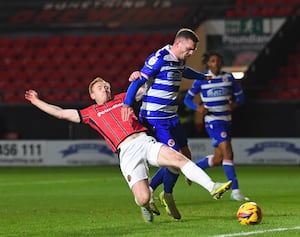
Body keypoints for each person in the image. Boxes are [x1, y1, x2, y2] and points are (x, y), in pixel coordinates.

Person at [25, 77, 232, 223]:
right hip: (126, 153)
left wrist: (142, 76)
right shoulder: (90, 113)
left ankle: (212, 186)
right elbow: (60, 113)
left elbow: (148, 86)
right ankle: (145, 203)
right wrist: (36, 101)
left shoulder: (124, 98)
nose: (105, 88)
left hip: (144, 141)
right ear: (92, 94)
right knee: (142, 198)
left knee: (177, 158)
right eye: (100, 87)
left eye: (106, 85)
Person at [121, 28, 211, 220]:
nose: (191, 53)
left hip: (171, 116)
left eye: (193, 50)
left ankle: (154, 189)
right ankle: (165, 195)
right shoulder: (160, 57)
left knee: (186, 155)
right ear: (178, 44)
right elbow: (138, 81)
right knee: (176, 159)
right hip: (155, 117)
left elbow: (183, 71)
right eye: (189, 49)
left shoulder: (178, 59)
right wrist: (127, 104)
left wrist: (203, 77)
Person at [184, 51, 249, 201]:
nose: (216, 64)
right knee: (228, 152)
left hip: (226, 120)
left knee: (219, 158)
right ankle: (236, 191)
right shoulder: (201, 80)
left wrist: (235, 103)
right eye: (213, 61)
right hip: (213, 121)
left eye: (219, 61)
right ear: (208, 63)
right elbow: (187, 99)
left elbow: (240, 97)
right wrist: (198, 108)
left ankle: (193, 170)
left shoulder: (228, 78)